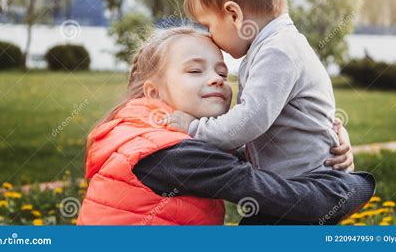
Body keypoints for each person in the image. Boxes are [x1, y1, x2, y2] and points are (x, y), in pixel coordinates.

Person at [77, 28, 375, 225]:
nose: (217, 78)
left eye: (222, 71)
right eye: (195, 70)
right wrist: (354, 185)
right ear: (154, 92)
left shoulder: (144, 133)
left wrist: (328, 145)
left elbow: (257, 158)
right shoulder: (170, 154)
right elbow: (293, 201)